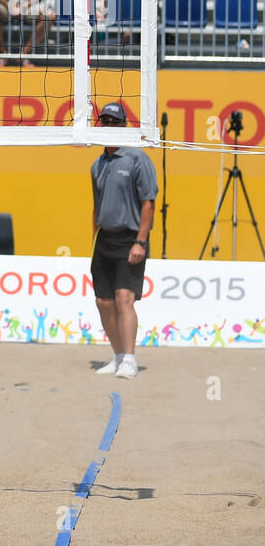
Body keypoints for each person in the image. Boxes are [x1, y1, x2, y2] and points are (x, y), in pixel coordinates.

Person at [90, 103, 157, 380]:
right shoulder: (97, 164)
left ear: (123, 126)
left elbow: (148, 204)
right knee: (103, 302)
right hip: (105, 239)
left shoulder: (137, 159)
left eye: (114, 121)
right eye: (104, 121)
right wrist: (92, 241)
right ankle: (118, 356)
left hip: (130, 238)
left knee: (124, 299)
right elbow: (96, 208)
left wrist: (141, 241)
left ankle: (129, 358)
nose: (108, 126)